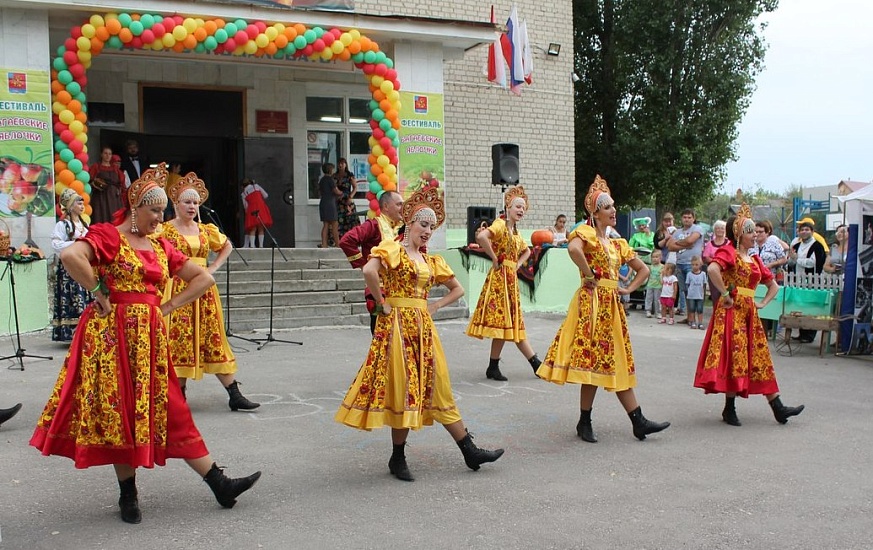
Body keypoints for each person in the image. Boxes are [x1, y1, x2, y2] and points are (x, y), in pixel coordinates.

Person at [30, 163, 261, 524]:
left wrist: (166, 306)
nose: (159, 217)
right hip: (111, 339)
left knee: (173, 407)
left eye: (161, 211)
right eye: (154, 211)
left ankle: (219, 483)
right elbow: (72, 256)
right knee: (121, 412)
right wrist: (98, 290)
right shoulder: (109, 236)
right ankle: (129, 494)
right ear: (135, 208)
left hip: (150, 338)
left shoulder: (159, 244)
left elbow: (202, 279)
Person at [335, 187, 504, 482]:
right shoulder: (392, 249)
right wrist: (383, 303)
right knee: (403, 388)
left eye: (431, 227)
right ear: (409, 223)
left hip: (423, 329)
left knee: (438, 384)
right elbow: (369, 272)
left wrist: (436, 305)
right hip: (397, 327)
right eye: (423, 225)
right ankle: (398, 457)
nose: (427, 231)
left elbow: (458, 289)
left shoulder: (429, 261)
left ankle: (469, 450)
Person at [537, 175, 670, 443]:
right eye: (608, 207)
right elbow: (573, 250)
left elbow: (643, 269)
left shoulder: (618, 243)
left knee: (615, 360)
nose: (613, 211)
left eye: (613, 206)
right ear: (595, 213)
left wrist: (629, 289)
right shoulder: (585, 234)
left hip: (611, 305)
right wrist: (588, 275)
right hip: (592, 303)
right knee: (592, 362)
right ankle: (592, 421)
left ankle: (635, 420)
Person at [694, 204, 805, 427]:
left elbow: (772, 285)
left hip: (749, 313)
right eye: (750, 231)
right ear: (739, 234)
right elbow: (713, 269)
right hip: (732, 311)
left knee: (759, 357)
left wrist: (762, 303)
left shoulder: (754, 260)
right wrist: (725, 293)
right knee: (735, 357)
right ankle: (731, 408)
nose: (755, 235)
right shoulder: (729, 252)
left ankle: (777, 406)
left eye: (755, 231)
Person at [160, 171, 260, 411]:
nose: (192, 206)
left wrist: (213, 267)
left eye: (195, 202)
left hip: (204, 290)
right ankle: (179, 395)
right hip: (179, 288)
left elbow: (227, 246)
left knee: (212, 337)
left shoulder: (205, 229)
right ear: (176, 204)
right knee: (179, 339)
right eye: (187, 201)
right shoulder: (165, 230)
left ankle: (234, 393)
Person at [466, 186, 542, 381]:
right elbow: (482, 236)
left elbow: (527, 251)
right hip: (500, 280)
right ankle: (535, 363)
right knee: (508, 322)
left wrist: (516, 265)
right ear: (508, 206)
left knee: (507, 324)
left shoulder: (515, 231)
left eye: (523, 208)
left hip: (509, 279)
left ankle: (495, 366)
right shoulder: (500, 225)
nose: (521, 210)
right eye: (518, 206)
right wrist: (494, 257)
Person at [339, 190, 404, 334]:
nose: (403, 208)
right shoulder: (374, 225)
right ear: (386, 206)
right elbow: (346, 241)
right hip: (378, 290)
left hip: (400, 291)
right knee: (380, 337)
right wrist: (364, 265)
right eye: (399, 204)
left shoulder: (402, 229)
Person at [50, 189, 92, 341]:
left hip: (84, 265)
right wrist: (76, 244)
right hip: (69, 269)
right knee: (71, 298)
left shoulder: (84, 224)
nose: (81, 206)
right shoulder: (63, 225)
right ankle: (71, 333)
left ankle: (86, 331)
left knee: (85, 296)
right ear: (70, 205)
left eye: (82, 203)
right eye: (78, 203)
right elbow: (55, 244)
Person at [790, 220, 827, 343]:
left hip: (812, 281)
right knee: (800, 306)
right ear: (799, 232)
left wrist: (797, 260)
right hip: (798, 280)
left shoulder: (817, 246)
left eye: (807, 229)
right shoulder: (796, 246)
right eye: (802, 230)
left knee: (810, 306)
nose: (804, 232)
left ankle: (810, 334)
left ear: (812, 231)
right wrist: (791, 260)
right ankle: (802, 332)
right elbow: (790, 262)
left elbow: (814, 263)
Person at [666, 209, 704, 319]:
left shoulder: (697, 229)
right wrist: (685, 245)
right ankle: (689, 317)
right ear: (681, 219)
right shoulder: (678, 232)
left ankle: (696, 318)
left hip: (692, 265)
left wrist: (678, 243)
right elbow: (670, 246)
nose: (687, 219)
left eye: (689, 217)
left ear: (693, 218)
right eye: (685, 217)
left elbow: (691, 240)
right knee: (686, 292)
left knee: (694, 292)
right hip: (680, 264)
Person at [88, 146, 125, 224]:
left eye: (110, 154)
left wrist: (119, 191)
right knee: (101, 215)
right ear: (101, 154)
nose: (108, 156)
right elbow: (90, 180)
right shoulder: (96, 167)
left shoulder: (115, 168)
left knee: (114, 216)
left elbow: (121, 182)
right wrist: (95, 184)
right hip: (100, 196)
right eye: (105, 153)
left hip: (114, 197)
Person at [241, 177, 273, 248]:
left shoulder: (243, 194)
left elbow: (245, 206)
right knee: (261, 227)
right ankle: (261, 245)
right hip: (261, 207)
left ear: (243, 186)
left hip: (251, 209)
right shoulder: (256, 186)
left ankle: (252, 245)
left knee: (252, 227)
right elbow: (266, 195)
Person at [702, 220, 730, 301]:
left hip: (726, 273)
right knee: (715, 295)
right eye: (717, 228)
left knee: (726, 294)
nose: (720, 230)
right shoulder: (710, 244)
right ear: (714, 230)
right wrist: (717, 262)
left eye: (722, 228)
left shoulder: (729, 243)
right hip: (713, 273)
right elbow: (706, 257)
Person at [335, 158, 360, 236]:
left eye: (342, 163)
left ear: (346, 165)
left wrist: (350, 197)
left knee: (350, 220)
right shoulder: (335, 176)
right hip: (338, 201)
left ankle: (352, 238)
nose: (340, 165)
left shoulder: (349, 175)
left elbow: (355, 187)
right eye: (339, 163)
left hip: (347, 200)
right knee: (338, 221)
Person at [318, 163, 342, 248]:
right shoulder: (330, 180)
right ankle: (338, 244)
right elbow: (336, 191)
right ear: (330, 170)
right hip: (330, 203)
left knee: (326, 224)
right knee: (334, 224)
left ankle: (324, 244)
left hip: (323, 202)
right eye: (332, 169)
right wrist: (342, 193)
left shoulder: (322, 180)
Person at [685, 256, 708, 330]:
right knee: (691, 309)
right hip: (691, 295)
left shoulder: (703, 274)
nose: (694, 266)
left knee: (700, 309)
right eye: (693, 265)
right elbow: (687, 284)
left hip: (699, 295)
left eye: (696, 265)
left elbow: (704, 284)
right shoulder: (689, 274)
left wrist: (703, 294)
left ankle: (700, 323)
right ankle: (693, 322)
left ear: (700, 265)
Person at [644, 249, 663, 319]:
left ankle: (658, 312)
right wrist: (647, 283)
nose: (655, 259)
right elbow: (648, 276)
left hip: (658, 286)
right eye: (653, 257)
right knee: (648, 298)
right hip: (650, 285)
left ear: (660, 258)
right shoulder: (650, 267)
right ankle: (648, 310)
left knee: (657, 299)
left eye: (656, 257)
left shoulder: (662, 267)